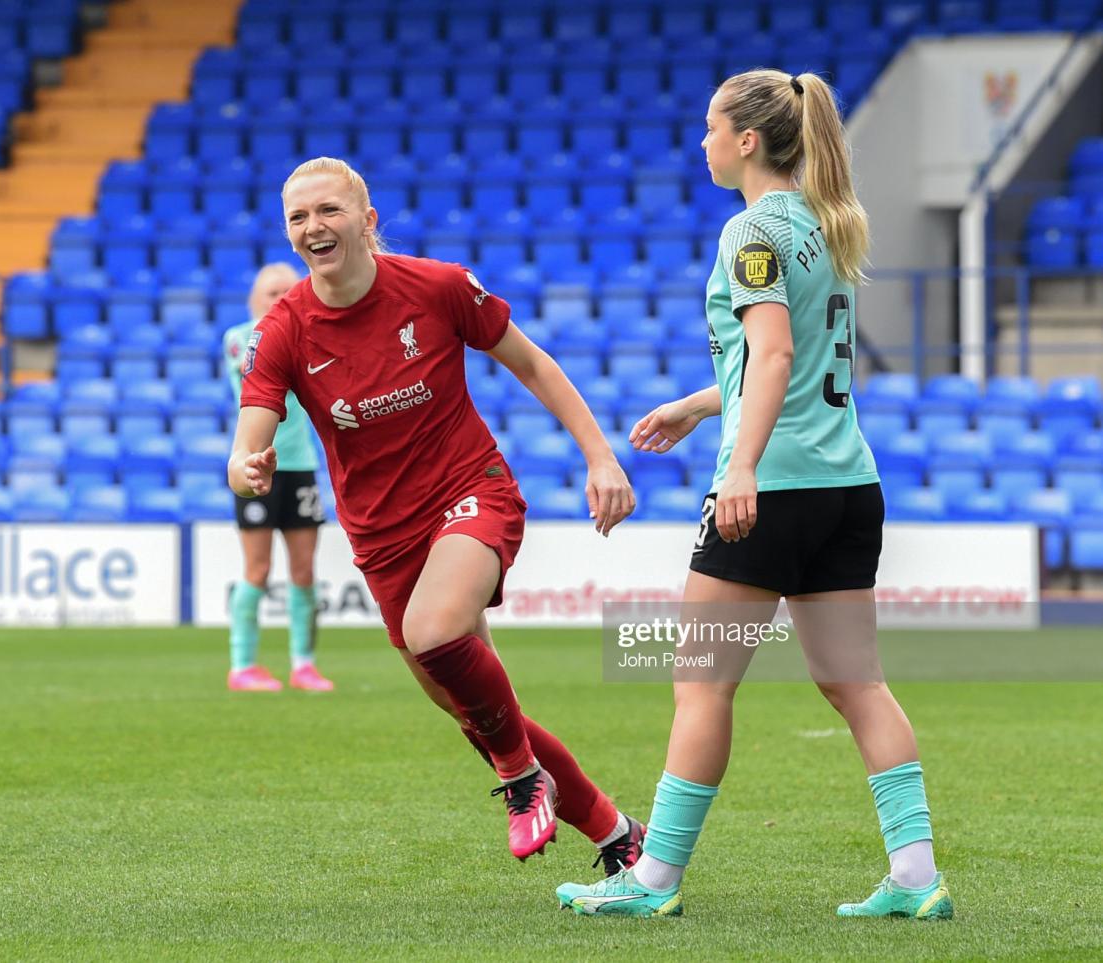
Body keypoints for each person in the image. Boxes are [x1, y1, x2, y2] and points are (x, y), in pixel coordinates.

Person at [556, 70, 952, 919]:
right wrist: (703, 406)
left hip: (773, 486)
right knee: (858, 684)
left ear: (746, 142)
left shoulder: (751, 231)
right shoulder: (827, 224)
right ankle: (917, 876)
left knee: (701, 683)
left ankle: (653, 879)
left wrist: (739, 465)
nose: (700, 142)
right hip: (848, 483)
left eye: (709, 128)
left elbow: (771, 356)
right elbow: (792, 359)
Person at [229, 155, 644, 869]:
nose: (313, 226)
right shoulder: (283, 330)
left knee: (434, 632)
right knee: (474, 711)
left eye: (328, 210)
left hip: (469, 486)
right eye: (298, 217)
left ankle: (520, 780)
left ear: (367, 220)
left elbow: (534, 364)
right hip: (381, 533)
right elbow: (247, 447)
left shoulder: (440, 286)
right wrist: (246, 467)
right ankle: (617, 836)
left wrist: (600, 456)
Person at [222, 262, 333, 693]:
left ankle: (304, 664)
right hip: (252, 463)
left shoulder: (310, 333)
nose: (280, 298)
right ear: (255, 298)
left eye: (289, 291)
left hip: (300, 464)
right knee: (258, 568)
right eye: (271, 292)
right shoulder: (239, 339)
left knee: (304, 570)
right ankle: (242, 664)